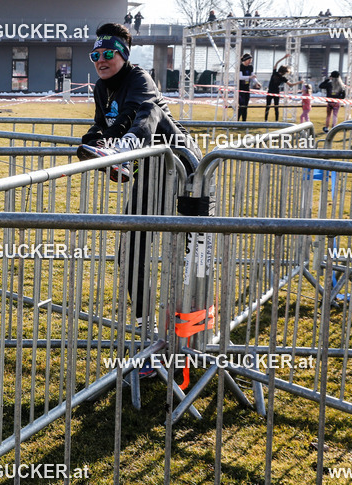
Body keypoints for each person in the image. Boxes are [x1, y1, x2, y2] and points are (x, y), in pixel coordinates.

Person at [76, 23, 206, 335]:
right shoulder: (100, 88)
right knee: (130, 251)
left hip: (183, 164)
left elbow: (132, 115)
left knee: (195, 254)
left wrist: (115, 144)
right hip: (150, 170)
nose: (100, 60)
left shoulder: (139, 78)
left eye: (108, 54)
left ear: (123, 54)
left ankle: (197, 332)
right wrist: (91, 143)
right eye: (95, 55)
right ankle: (147, 326)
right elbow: (100, 125)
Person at [265, 54, 298, 121]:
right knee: (275, 107)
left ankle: (268, 120)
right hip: (274, 92)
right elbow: (291, 84)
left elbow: (276, 63)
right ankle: (275, 120)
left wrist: (284, 57)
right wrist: (299, 82)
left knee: (269, 106)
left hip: (272, 92)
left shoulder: (277, 74)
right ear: (284, 72)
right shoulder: (278, 75)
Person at [237, 53, 256, 122]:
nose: (250, 61)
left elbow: (253, 76)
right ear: (245, 60)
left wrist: (257, 82)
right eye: (249, 60)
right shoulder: (240, 67)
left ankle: (244, 122)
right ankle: (236, 121)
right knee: (241, 105)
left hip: (247, 89)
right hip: (240, 89)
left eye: (251, 60)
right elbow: (240, 77)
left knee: (245, 106)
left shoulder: (250, 67)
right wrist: (250, 77)